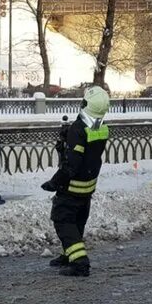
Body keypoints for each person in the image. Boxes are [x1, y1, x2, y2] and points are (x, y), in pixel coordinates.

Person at [42, 85, 110, 277]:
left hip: (71, 187)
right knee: (76, 222)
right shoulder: (100, 127)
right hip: (87, 187)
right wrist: (68, 142)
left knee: (63, 221)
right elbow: (85, 151)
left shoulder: (79, 129)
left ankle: (80, 263)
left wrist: (55, 182)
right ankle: (68, 255)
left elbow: (72, 163)